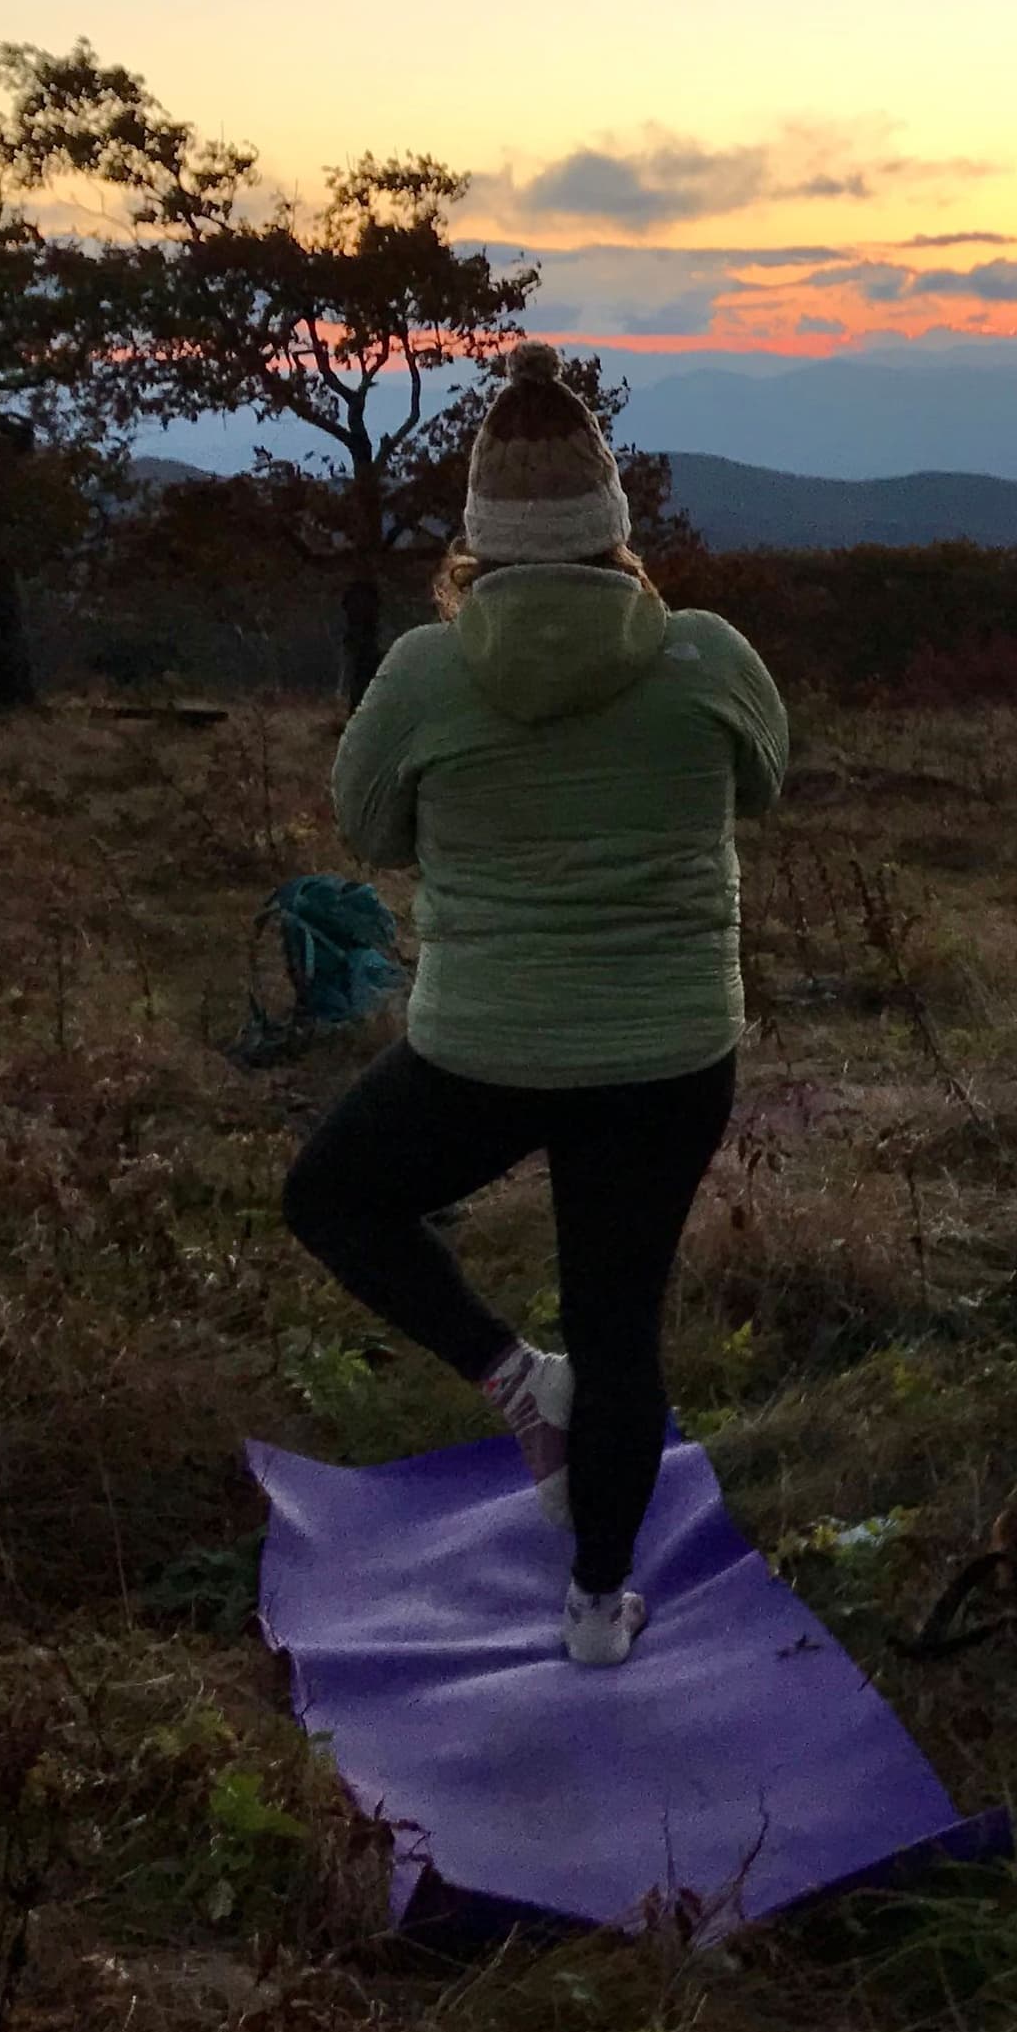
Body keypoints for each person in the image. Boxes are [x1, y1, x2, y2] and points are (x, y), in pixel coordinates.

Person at [281, 344, 788, 1665]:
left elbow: (371, 831)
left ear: (480, 540)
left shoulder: (422, 676)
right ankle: (597, 1613)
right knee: (621, 1323)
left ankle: (515, 1381)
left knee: (332, 1197)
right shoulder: (707, 657)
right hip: (673, 1050)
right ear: (618, 529)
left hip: (483, 1050)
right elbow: (764, 786)